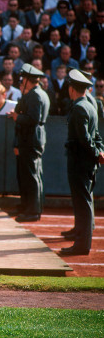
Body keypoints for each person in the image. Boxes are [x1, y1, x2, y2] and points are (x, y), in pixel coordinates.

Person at [60, 70, 104, 256]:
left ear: (71, 89)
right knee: (85, 201)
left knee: (82, 202)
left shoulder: (79, 108)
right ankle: (81, 239)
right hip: (86, 161)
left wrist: (96, 152)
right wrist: (99, 150)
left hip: (80, 162)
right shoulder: (90, 104)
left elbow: (84, 139)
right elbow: (95, 136)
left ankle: (82, 244)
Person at [8, 64, 50, 223]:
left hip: (31, 138)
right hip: (33, 137)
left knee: (31, 175)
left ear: (27, 80)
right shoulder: (40, 94)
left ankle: (33, 210)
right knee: (31, 174)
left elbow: (33, 119)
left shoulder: (35, 95)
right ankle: (28, 206)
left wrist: (16, 117)